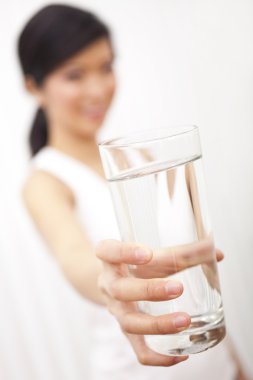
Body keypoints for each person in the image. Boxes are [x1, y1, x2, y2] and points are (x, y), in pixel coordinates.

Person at [17, 4, 245, 379]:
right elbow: (75, 259)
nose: (98, 89)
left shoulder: (144, 161)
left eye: (106, 67)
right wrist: (112, 280)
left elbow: (200, 279)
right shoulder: (46, 181)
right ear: (33, 87)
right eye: (75, 75)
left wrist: (236, 367)